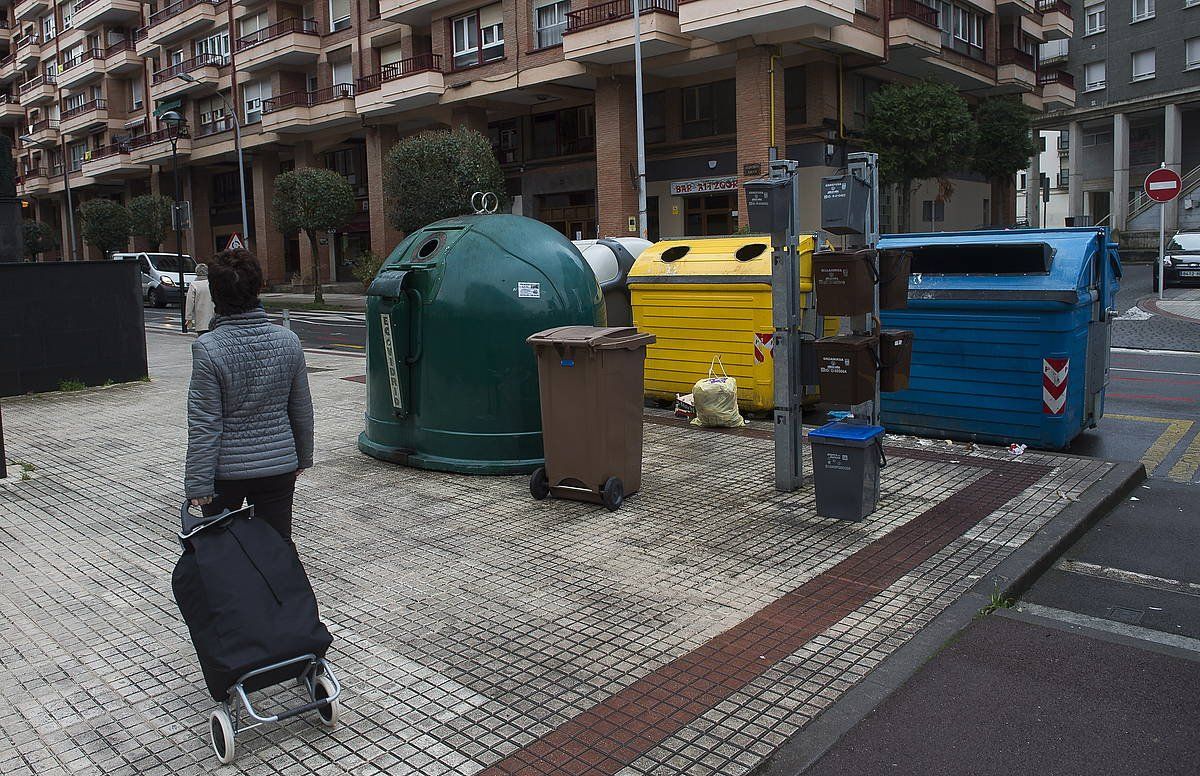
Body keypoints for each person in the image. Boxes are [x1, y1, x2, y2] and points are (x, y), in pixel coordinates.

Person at [183, 248, 314, 541]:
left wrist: (198, 484)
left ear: (216, 295)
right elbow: (301, 409)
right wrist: (302, 457)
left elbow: (205, 423)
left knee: (224, 552)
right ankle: (279, 588)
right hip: (278, 466)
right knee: (277, 547)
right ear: (258, 288)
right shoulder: (288, 341)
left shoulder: (208, 348)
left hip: (225, 474)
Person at [185, 262, 215, 334]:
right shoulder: (212, 284)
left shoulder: (194, 285)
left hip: (200, 319)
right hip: (213, 318)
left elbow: (190, 303)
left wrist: (188, 318)